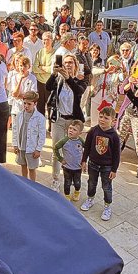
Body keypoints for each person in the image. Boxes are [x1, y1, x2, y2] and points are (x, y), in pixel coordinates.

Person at [46, 54, 88, 189]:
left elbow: (78, 91)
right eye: (65, 63)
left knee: (71, 151)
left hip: (73, 121)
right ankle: (55, 179)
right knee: (56, 149)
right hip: (58, 119)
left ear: (75, 65)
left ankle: (69, 177)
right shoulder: (58, 79)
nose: (68, 65)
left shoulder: (80, 79)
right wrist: (54, 74)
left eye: (71, 62)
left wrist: (68, 78)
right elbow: (47, 87)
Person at [80, 106, 121, 221]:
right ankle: (90, 199)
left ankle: (107, 206)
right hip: (93, 163)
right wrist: (84, 160)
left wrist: (114, 169)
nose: (102, 120)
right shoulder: (93, 130)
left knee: (106, 187)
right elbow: (87, 147)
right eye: (101, 117)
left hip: (107, 167)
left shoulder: (114, 136)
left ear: (113, 121)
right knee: (91, 183)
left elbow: (117, 154)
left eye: (106, 118)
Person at [11, 91, 45, 181]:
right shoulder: (19, 115)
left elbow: (42, 135)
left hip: (32, 148)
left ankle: (33, 185)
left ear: (35, 104)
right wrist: (15, 144)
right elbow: (15, 130)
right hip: (21, 146)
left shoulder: (40, 118)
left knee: (32, 168)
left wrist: (38, 149)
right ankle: (25, 182)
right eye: (24, 103)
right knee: (23, 165)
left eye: (29, 104)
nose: (26, 106)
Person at [54, 119, 85, 200]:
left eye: (74, 129)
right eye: (70, 128)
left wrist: (84, 161)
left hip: (78, 168)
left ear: (80, 133)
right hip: (67, 167)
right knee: (67, 183)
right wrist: (60, 159)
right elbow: (55, 148)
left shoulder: (81, 141)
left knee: (77, 183)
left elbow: (87, 150)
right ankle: (67, 196)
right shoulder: (64, 141)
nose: (71, 131)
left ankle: (77, 192)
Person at [7, 55, 38, 122]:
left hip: (29, 111)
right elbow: (14, 94)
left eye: (25, 66)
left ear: (29, 67)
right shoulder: (14, 78)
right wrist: (20, 80)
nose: (22, 68)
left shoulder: (32, 78)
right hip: (16, 110)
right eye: (21, 65)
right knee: (16, 132)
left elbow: (31, 96)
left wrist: (20, 96)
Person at [33, 31, 56, 116]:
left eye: (47, 39)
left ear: (51, 40)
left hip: (50, 82)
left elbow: (53, 70)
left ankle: (50, 125)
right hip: (40, 82)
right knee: (40, 105)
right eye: (43, 40)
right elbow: (35, 68)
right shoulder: (40, 52)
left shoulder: (55, 53)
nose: (45, 42)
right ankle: (41, 124)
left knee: (50, 105)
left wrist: (41, 67)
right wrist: (46, 68)